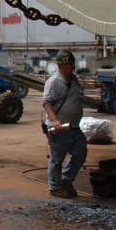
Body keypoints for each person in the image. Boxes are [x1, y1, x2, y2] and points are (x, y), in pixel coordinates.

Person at [42, 49, 87, 199]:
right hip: (59, 128)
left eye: (72, 66)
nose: (71, 69)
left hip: (73, 127)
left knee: (80, 152)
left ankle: (66, 179)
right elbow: (47, 103)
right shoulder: (53, 82)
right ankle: (55, 187)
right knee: (57, 158)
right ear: (60, 66)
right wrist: (55, 120)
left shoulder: (73, 80)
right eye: (68, 66)